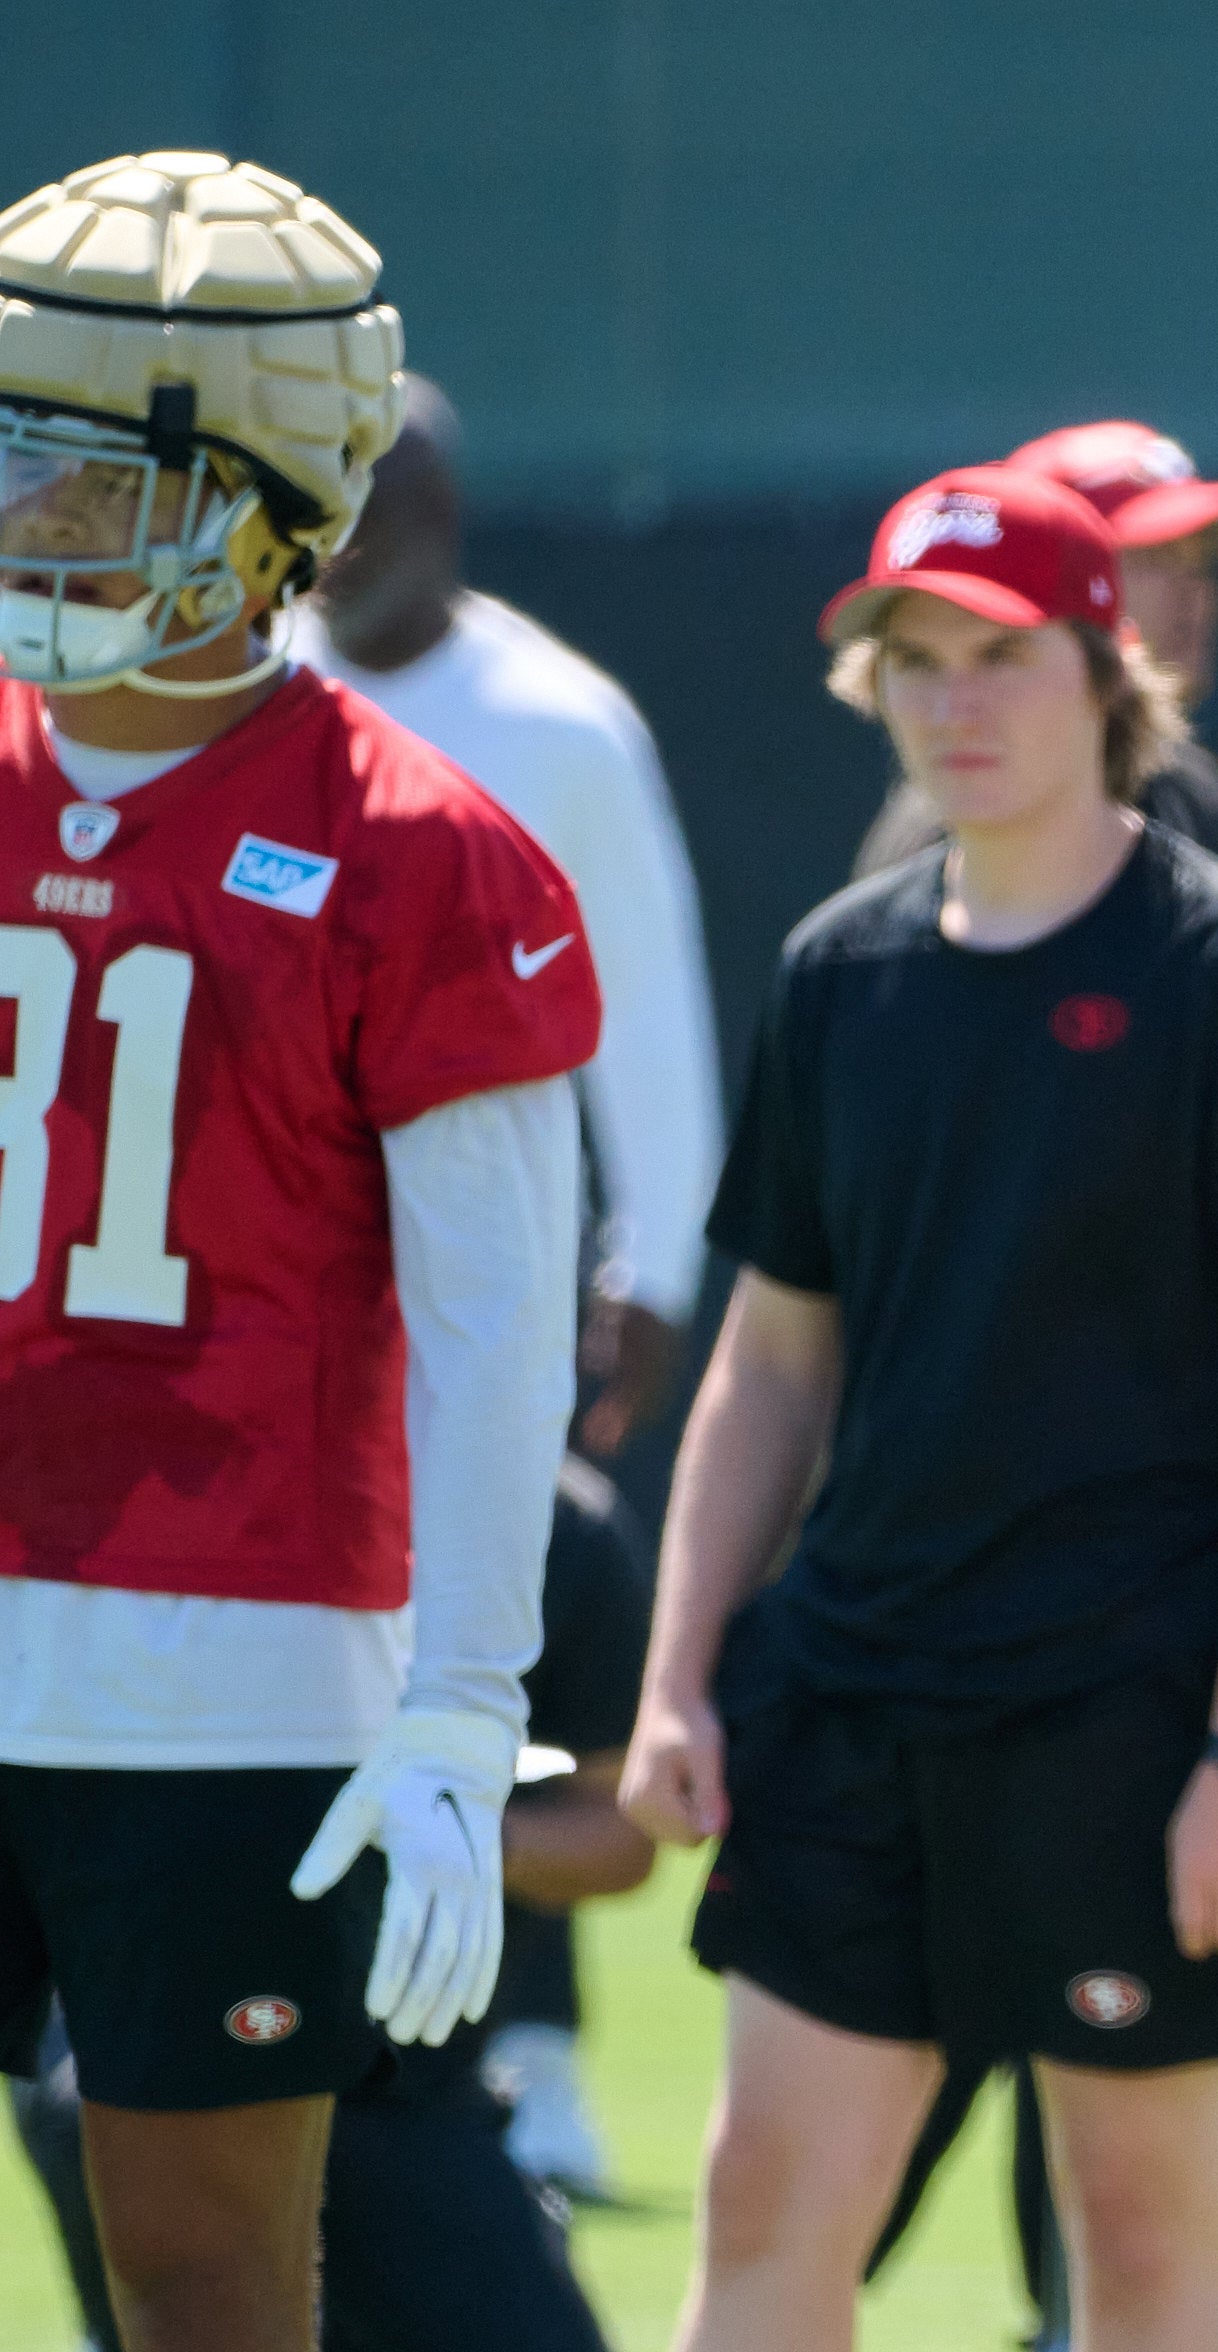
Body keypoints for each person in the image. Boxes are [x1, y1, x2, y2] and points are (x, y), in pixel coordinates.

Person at [334, 461, 1218, 2352]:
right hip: (856, 1694)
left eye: (997, 655)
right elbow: (769, 1367)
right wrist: (684, 1664)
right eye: (912, 665)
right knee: (760, 2211)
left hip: (1133, 1723)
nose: (954, 703)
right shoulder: (842, 965)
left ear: (1102, 670)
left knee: (1141, 2223)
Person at [4, 152, 592, 2352]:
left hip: (219, 1674)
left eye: (79, 458)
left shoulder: (417, 849)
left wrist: (466, 1706)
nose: (22, 511)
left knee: (216, 2317)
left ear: (263, 489)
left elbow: (503, 1321)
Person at [294, 370, 717, 2204]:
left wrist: (664, 1258)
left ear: (446, 518)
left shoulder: (552, 722)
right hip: (285, 1286)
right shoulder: (248, 696)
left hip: (489, 1269)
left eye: (380, 510)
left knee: (496, 1634)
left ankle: (525, 2057)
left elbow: (654, 1002)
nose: (345, 553)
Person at [23, 1458, 657, 2352]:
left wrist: (448, 1834)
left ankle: (285, 2338)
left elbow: (622, 1835)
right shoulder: (203, 1480)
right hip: (179, 2033)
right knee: (89, 2101)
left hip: (404, 2078)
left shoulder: (567, 1535)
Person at [847, 418, 1218, 944]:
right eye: (1153, 557)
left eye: (1199, 561)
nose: (1193, 592)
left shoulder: (1191, 787)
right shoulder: (950, 833)